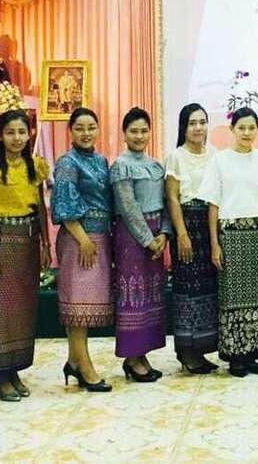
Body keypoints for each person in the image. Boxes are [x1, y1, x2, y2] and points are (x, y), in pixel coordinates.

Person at [0, 109, 50, 401]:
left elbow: (40, 207)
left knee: (22, 309)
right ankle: (0, 375)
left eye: (22, 132)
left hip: (28, 241)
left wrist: (45, 244)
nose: (16, 138)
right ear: (0, 136)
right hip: (2, 240)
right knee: (2, 309)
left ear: (29, 134)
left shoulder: (35, 166)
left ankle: (15, 369)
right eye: (10, 132)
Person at [200, 107, 258, 377]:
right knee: (232, 297)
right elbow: (213, 204)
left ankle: (252, 353)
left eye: (251, 127)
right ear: (231, 129)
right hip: (230, 234)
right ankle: (235, 357)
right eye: (241, 127)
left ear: (257, 129)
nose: (246, 132)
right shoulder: (219, 160)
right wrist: (214, 243)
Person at [51, 107, 112, 392]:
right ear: (71, 131)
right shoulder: (67, 162)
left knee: (85, 304)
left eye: (91, 127)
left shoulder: (100, 160)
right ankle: (85, 366)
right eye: (79, 128)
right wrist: (84, 239)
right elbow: (64, 205)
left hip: (99, 238)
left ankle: (74, 361)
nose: (86, 133)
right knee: (76, 304)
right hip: (79, 239)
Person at [110, 107, 172, 382]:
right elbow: (128, 207)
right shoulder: (120, 166)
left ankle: (142, 353)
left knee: (149, 296)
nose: (139, 136)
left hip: (157, 236)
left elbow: (167, 202)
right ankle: (132, 358)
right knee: (133, 296)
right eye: (133, 131)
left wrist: (165, 234)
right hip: (132, 239)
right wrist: (148, 240)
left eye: (144, 131)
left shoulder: (156, 166)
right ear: (124, 133)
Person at [164, 103, 219, 373]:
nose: (198, 128)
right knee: (187, 290)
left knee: (207, 289)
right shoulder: (176, 156)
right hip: (186, 225)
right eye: (192, 123)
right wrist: (182, 234)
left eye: (202, 122)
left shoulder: (215, 155)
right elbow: (172, 198)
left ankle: (201, 350)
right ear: (183, 128)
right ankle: (186, 352)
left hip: (209, 225)